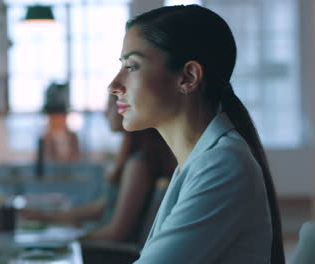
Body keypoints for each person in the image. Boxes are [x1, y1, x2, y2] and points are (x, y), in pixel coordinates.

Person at [108, 4, 284, 263]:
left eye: (132, 66)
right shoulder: (198, 161)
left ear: (188, 77)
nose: (114, 85)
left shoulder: (222, 164)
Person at [22, 95, 176, 243]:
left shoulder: (138, 165)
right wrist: (47, 217)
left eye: (110, 106)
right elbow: (101, 207)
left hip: (109, 254)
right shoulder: (131, 159)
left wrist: (67, 240)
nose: (104, 113)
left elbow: (116, 233)